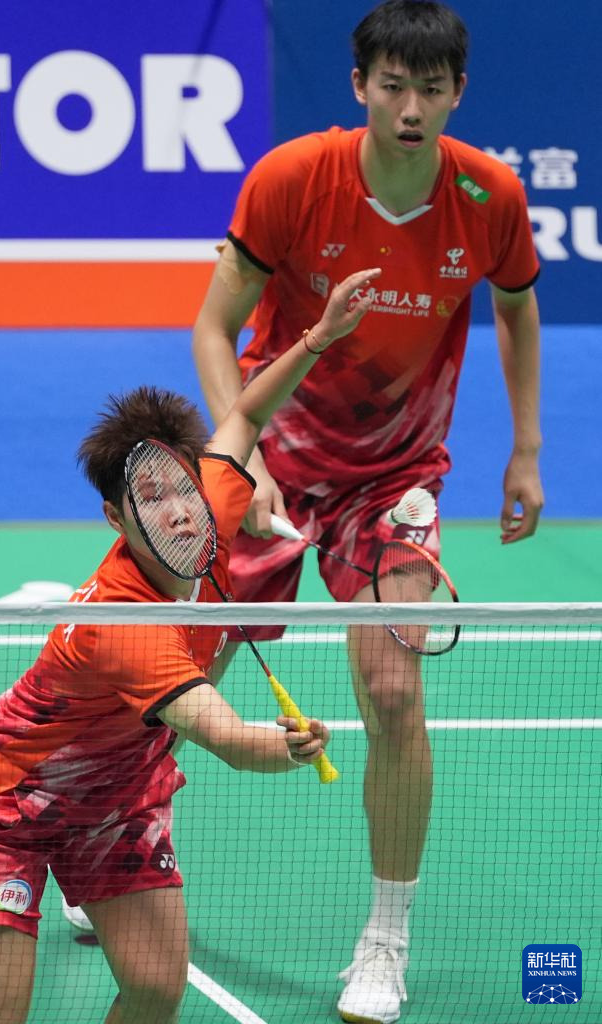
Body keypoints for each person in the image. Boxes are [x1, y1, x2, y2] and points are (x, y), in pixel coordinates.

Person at [192, 2, 544, 1021]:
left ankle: (384, 939)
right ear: (358, 86)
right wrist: (240, 449)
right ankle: (117, 845)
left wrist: (525, 448)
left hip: (395, 474)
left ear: (458, 93)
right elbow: (214, 328)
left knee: (392, 694)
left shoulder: (487, 195)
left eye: (430, 89)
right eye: (392, 85)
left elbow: (516, 307)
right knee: (184, 672)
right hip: (274, 455)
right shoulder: (293, 179)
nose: (409, 108)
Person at [0, 267, 378, 1024]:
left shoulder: (207, 504)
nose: (180, 512)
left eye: (183, 489)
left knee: (158, 988)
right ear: (115, 518)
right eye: (151, 500)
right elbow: (230, 741)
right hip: (9, 802)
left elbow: (246, 413)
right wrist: (288, 746)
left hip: (116, 800)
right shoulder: (122, 625)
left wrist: (319, 337)